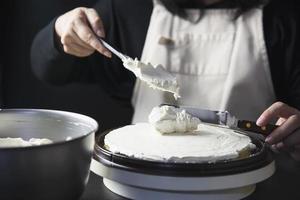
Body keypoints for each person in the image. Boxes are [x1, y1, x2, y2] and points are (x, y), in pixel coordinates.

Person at [31, 0, 300, 161]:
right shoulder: (128, 12)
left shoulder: (285, 18)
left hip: (251, 186)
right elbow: (47, 69)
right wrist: (59, 31)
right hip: (142, 184)